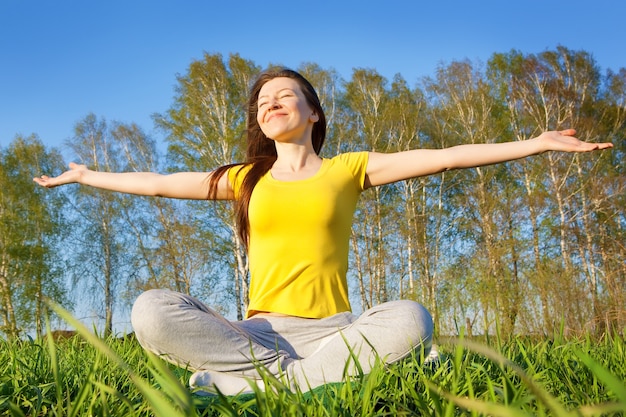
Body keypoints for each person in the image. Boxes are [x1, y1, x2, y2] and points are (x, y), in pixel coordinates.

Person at [34, 68, 613, 395]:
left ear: (313, 113)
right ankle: (293, 383)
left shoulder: (348, 169)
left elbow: (447, 156)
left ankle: (245, 389)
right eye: (263, 101)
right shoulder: (245, 179)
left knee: (411, 317)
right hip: (255, 336)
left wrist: (535, 143)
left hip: (337, 331)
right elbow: (160, 183)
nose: (272, 103)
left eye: (285, 95)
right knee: (151, 311)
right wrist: (88, 175)